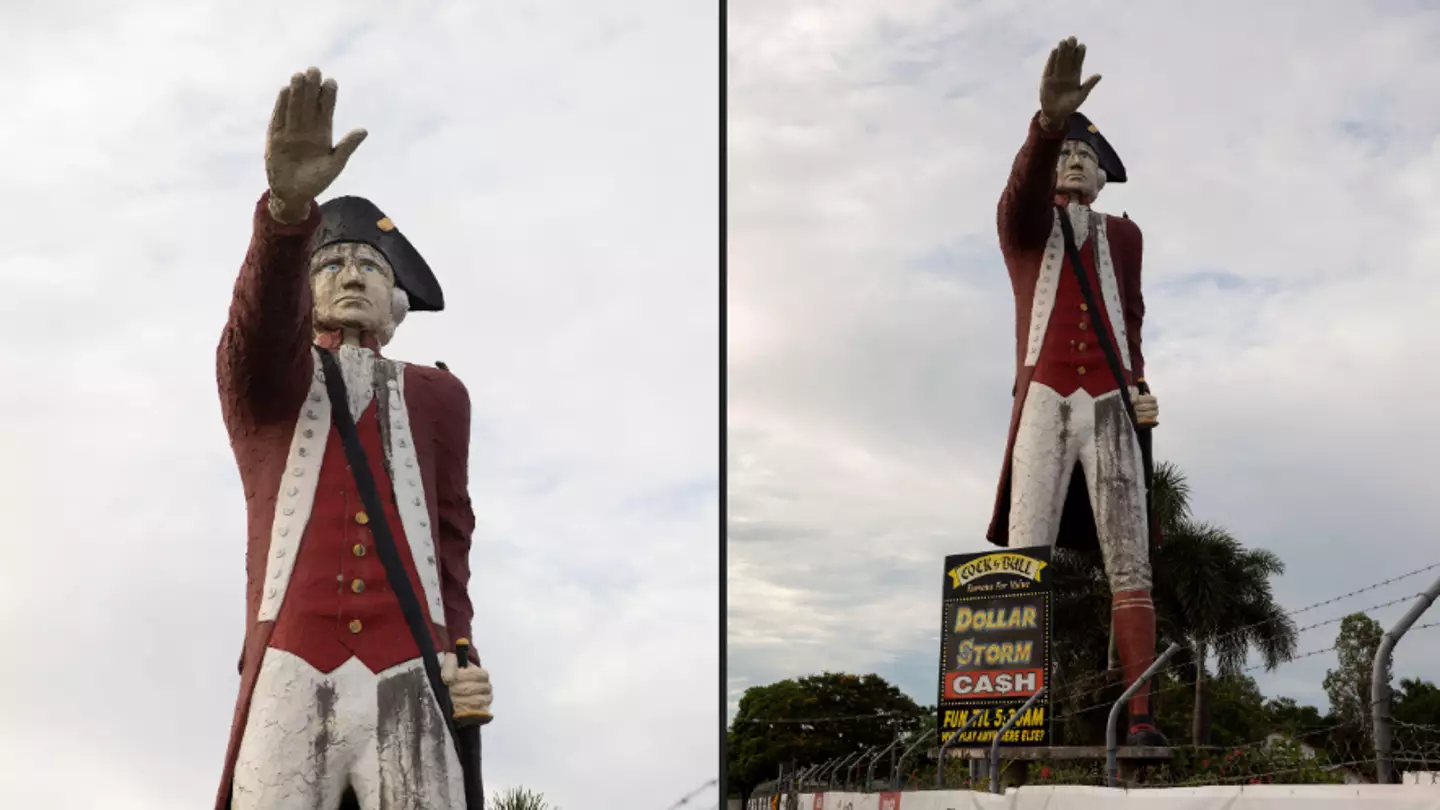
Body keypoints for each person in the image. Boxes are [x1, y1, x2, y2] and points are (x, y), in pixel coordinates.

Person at [213, 66, 493, 809]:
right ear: (302, 290)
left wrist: (461, 653)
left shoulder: (438, 396)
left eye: (369, 264)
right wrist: (286, 212)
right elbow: (254, 335)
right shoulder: (273, 382)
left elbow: (451, 537)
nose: (351, 275)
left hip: (412, 664)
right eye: (331, 263)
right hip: (292, 658)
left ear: (395, 299)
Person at [985, 37, 1166, 747]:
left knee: (1131, 558)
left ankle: (1143, 719)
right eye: (1067, 156)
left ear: (1102, 179)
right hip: (1044, 399)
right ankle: (1009, 716)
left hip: (1112, 403)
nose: (1074, 163)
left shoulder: (1125, 237)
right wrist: (1047, 123)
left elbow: (1133, 319)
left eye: (1084, 158)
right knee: (1025, 557)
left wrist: (1142, 386)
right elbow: (1017, 198)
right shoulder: (1029, 231)